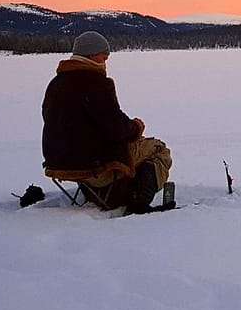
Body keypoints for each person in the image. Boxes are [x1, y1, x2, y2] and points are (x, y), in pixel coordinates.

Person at [41, 31, 172, 213]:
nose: (106, 60)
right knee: (159, 148)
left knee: (138, 147)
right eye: (104, 55)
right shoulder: (95, 83)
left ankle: (105, 192)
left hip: (61, 162)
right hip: (94, 165)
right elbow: (117, 128)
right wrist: (136, 127)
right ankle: (138, 201)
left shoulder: (56, 84)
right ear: (91, 54)